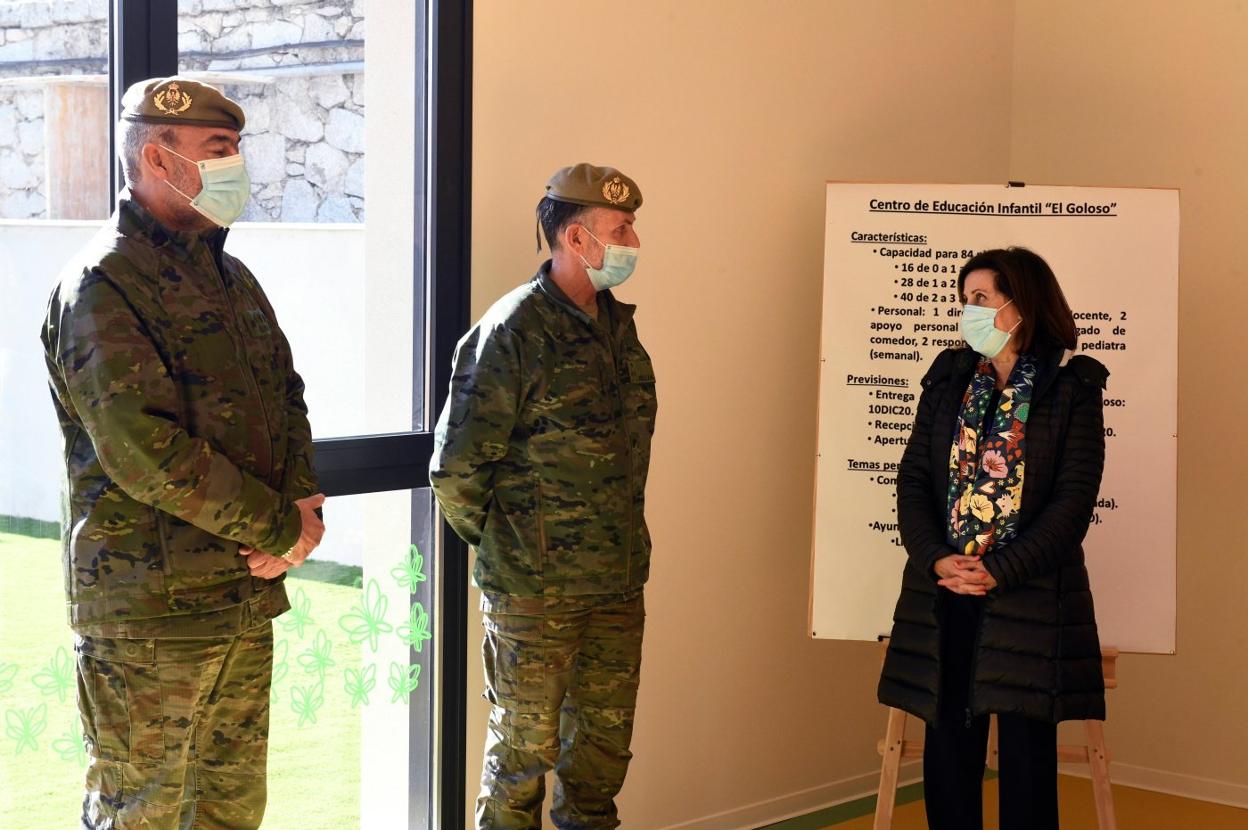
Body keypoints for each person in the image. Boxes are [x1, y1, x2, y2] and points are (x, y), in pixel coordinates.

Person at [41, 77, 325, 829]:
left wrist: (298, 509)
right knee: (143, 814)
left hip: (237, 599)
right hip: (148, 613)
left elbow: (285, 397)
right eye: (220, 150)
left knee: (232, 811)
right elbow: (144, 450)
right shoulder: (102, 283)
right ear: (161, 161)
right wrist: (276, 529)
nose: (237, 166)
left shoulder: (231, 277)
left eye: (235, 149)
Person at [430, 163, 656, 829]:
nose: (635, 241)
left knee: (602, 757)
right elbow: (456, 470)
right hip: (535, 594)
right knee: (522, 760)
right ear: (577, 238)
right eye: (622, 229)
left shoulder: (619, 328)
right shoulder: (512, 333)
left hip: (616, 585)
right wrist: (518, 546)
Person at [877, 247, 1108, 830]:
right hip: (947, 590)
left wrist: (999, 569)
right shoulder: (950, 376)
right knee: (949, 746)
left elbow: (1072, 502)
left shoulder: (1070, 386)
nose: (967, 310)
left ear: (1021, 305)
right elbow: (913, 480)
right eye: (965, 298)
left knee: (1028, 757)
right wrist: (937, 560)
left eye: (980, 299)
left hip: (1030, 596)